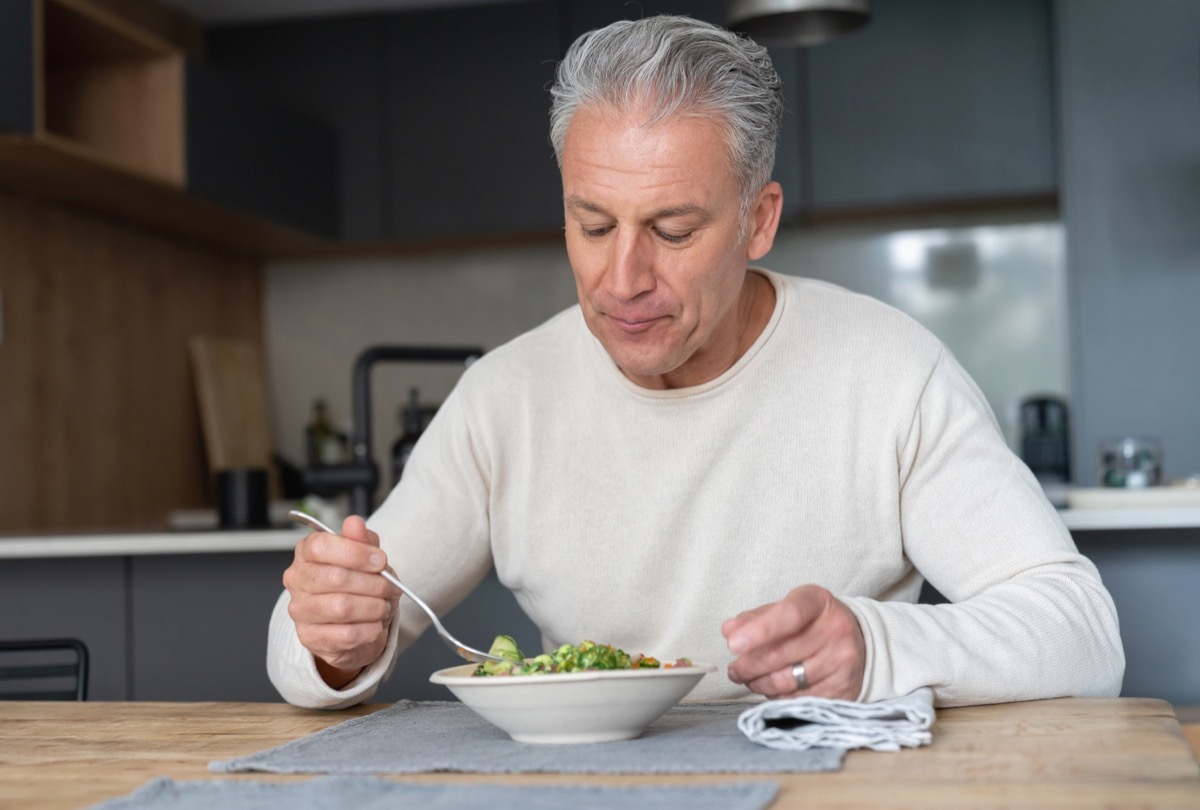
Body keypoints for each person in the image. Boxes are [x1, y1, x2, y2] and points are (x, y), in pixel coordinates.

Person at [268, 15, 1124, 710]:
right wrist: (334, 639)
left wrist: (879, 647)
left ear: (759, 221)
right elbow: (306, 640)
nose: (622, 279)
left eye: (673, 231)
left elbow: (1083, 635)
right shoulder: (505, 398)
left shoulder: (889, 372)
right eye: (593, 226)